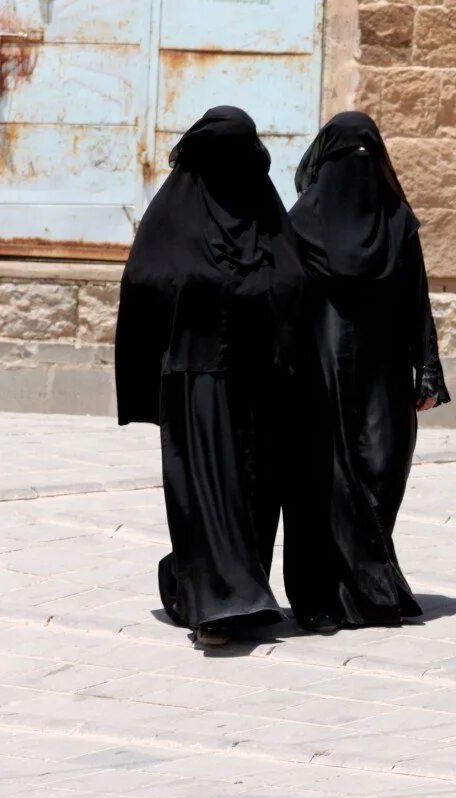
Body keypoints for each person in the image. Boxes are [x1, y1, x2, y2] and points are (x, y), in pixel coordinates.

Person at [114, 107, 305, 647]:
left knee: (252, 491)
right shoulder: (174, 217)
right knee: (203, 491)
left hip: (259, 383)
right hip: (195, 379)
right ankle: (212, 606)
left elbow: (294, 283)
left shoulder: (268, 219)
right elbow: (145, 281)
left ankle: (239, 594)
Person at [288, 111, 451, 630]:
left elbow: (416, 300)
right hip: (319, 376)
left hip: (383, 375)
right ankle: (324, 595)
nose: (356, 170)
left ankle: (368, 586)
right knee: (323, 482)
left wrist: (427, 372)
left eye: (366, 158)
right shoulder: (300, 224)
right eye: (346, 159)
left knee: (381, 472)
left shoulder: (398, 222)